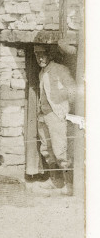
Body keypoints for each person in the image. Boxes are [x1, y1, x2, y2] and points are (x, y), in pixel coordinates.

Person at [34, 45, 76, 195]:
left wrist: (62, 105)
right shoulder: (41, 72)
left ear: (50, 55)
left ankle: (69, 185)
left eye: (43, 55)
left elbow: (73, 90)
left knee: (60, 150)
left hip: (56, 114)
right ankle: (55, 181)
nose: (40, 58)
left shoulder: (60, 69)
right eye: (37, 55)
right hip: (43, 115)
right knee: (47, 150)